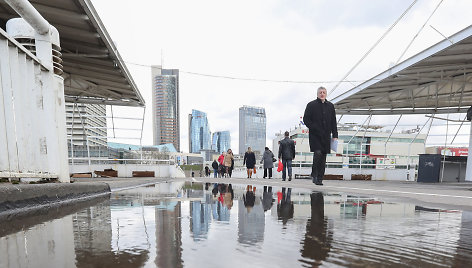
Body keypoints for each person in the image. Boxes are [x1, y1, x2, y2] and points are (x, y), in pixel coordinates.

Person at [303, 86, 338, 186]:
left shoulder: (330, 106)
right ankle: (314, 174)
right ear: (317, 94)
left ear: (326, 94)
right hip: (315, 135)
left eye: (324, 92)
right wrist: (314, 127)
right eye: (320, 92)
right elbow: (306, 119)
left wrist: (335, 135)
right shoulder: (311, 105)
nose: (322, 94)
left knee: (323, 157)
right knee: (317, 153)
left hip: (326, 136)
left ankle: (320, 178)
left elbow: (333, 121)